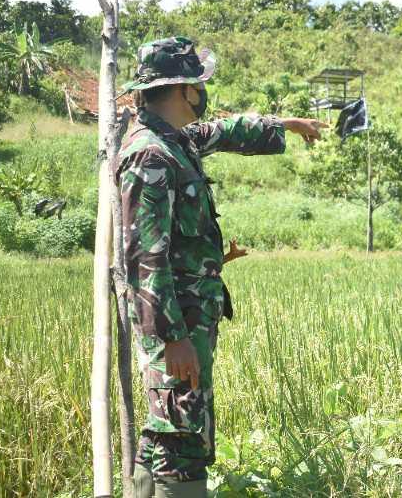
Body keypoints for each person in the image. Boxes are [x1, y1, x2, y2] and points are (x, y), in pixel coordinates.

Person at [113, 36, 326, 497]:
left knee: (167, 433)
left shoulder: (176, 140)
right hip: (177, 327)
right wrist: (173, 337)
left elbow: (227, 131)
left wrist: (284, 124)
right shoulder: (149, 153)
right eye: (199, 84)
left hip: (189, 318)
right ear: (184, 90)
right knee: (180, 435)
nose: (204, 93)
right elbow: (142, 257)